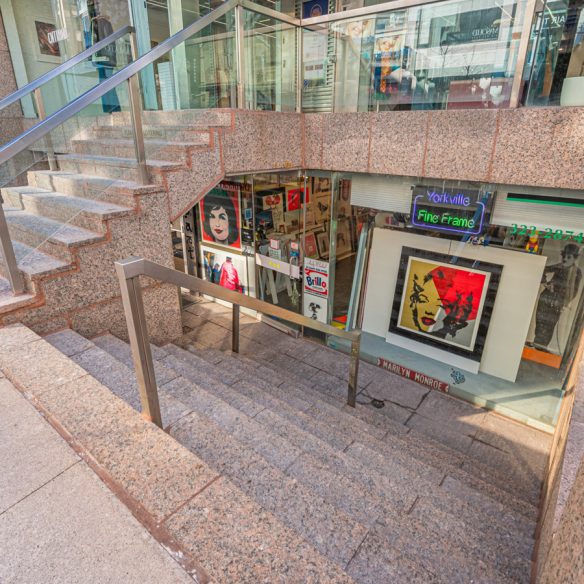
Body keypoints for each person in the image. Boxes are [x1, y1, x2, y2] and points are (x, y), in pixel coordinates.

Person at [533, 243, 582, 351]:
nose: (565, 259)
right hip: (546, 298)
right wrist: (546, 283)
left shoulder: (577, 272)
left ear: (574, 258)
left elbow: (574, 291)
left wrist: (565, 302)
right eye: (564, 256)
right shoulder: (559, 266)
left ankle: (541, 348)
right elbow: (542, 269)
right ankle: (536, 345)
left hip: (557, 302)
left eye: (568, 257)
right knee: (540, 322)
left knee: (549, 325)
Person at [91, 8, 121, 113]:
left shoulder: (102, 23)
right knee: (105, 83)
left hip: (105, 60)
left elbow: (109, 43)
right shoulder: (98, 24)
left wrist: (106, 58)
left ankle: (113, 108)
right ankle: (111, 108)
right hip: (103, 60)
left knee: (106, 83)